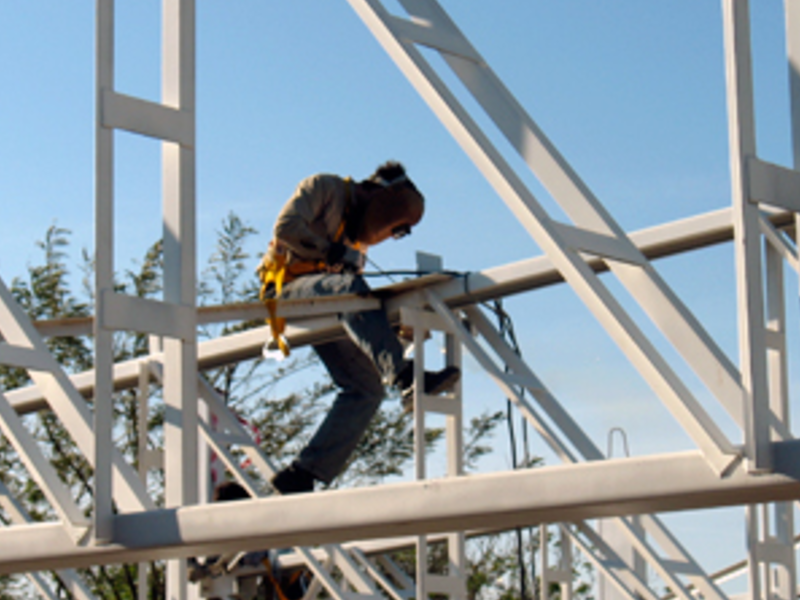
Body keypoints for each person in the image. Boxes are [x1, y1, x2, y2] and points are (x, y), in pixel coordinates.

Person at [259, 161, 460, 495]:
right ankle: (408, 377)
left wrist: (398, 330)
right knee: (349, 288)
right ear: (379, 194)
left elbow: (360, 310)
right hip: (286, 290)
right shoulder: (324, 187)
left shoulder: (355, 238)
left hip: (328, 303)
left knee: (367, 389)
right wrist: (333, 251)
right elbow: (286, 229)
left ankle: (302, 473)